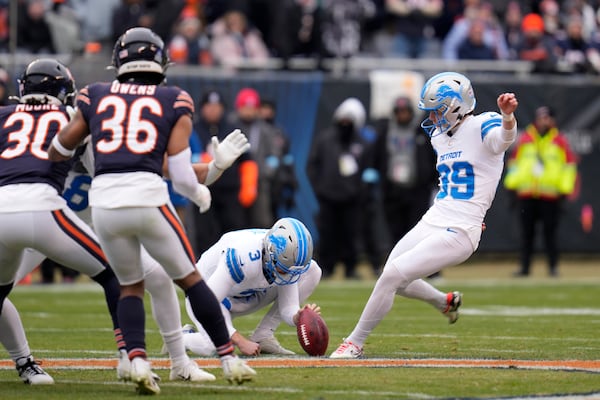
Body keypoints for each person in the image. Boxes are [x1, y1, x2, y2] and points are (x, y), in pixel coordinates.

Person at [47, 27, 256, 394]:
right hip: (138, 199)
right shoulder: (172, 99)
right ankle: (228, 358)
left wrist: (213, 169)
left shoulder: (94, 97)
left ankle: (141, 360)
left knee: (133, 286)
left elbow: (57, 148)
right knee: (189, 279)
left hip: (102, 206)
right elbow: (175, 171)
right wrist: (197, 192)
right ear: (160, 63)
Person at [330, 72, 519, 358]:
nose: (432, 118)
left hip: (461, 228)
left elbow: (502, 141)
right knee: (392, 274)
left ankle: (354, 342)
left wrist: (508, 117)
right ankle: (444, 302)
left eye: (437, 110)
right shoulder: (440, 137)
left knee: (392, 275)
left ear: (456, 106)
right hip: (435, 217)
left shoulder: (484, 124)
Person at [0, 59, 122, 384]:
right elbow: (102, 172)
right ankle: (130, 357)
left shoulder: (2, 116)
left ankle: (25, 364)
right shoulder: (72, 116)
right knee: (116, 274)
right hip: (44, 208)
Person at [181, 217, 322, 357]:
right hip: (206, 295)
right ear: (270, 253)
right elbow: (206, 302)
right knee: (215, 345)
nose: (289, 276)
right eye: (284, 269)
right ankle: (181, 338)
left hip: (246, 293)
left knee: (313, 271)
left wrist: (297, 317)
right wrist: (240, 340)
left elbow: (288, 308)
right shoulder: (242, 256)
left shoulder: (284, 258)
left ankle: (263, 335)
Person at [503, 105, 578, 277]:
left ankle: (553, 267)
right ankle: (525, 268)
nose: (543, 121)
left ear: (553, 120)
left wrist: (564, 191)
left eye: (546, 117)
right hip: (527, 193)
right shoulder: (526, 138)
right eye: (541, 117)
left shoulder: (559, 141)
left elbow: (568, 167)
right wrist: (511, 186)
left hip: (549, 195)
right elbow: (514, 164)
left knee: (550, 234)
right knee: (526, 234)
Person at [307, 97, 373, 279]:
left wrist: (360, 189)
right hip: (328, 196)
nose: (345, 123)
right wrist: (319, 187)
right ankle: (326, 268)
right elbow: (312, 165)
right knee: (327, 233)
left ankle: (350, 268)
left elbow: (368, 169)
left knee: (351, 234)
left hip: (352, 199)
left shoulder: (363, 143)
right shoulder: (325, 139)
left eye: (349, 120)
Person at [191, 89, 258, 254]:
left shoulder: (232, 128)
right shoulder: (193, 129)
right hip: (203, 190)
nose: (213, 110)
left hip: (230, 191)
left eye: (217, 106)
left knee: (233, 231)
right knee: (205, 233)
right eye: (209, 106)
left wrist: (248, 186)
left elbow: (247, 160)